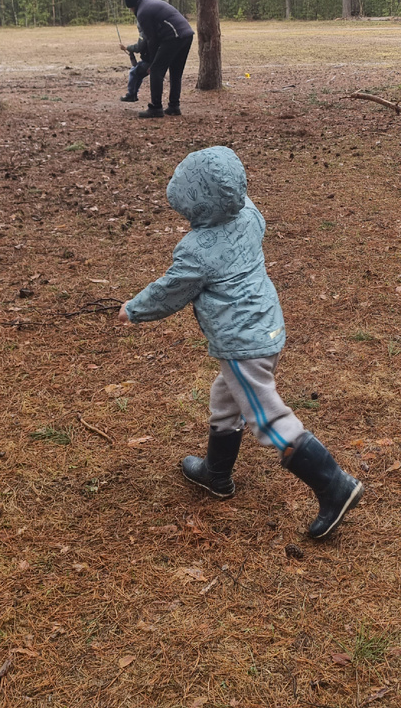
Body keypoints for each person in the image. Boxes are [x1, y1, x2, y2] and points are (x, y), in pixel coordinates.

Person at [118, 145, 364, 540]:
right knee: (226, 397)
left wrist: (134, 309)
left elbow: (170, 291)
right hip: (267, 327)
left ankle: (334, 485)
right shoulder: (249, 215)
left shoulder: (196, 252)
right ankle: (217, 474)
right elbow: (236, 200)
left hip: (241, 341)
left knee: (267, 417)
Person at [123, 0, 194, 119]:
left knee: (156, 71)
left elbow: (151, 39)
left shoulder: (142, 12)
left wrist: (152, 61)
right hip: (187, 34)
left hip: (174, 36)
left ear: (131, 7)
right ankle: (174, 106)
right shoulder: (150, 3)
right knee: (176, 72)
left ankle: (156, 108)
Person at [119, 35, 151, 103]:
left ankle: (131, 95)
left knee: (133, 73)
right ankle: (133, 94)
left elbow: (138, 47)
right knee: (138, 74)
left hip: (149, 61)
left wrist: (127, 48)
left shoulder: (144, 32)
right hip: (153, 60)